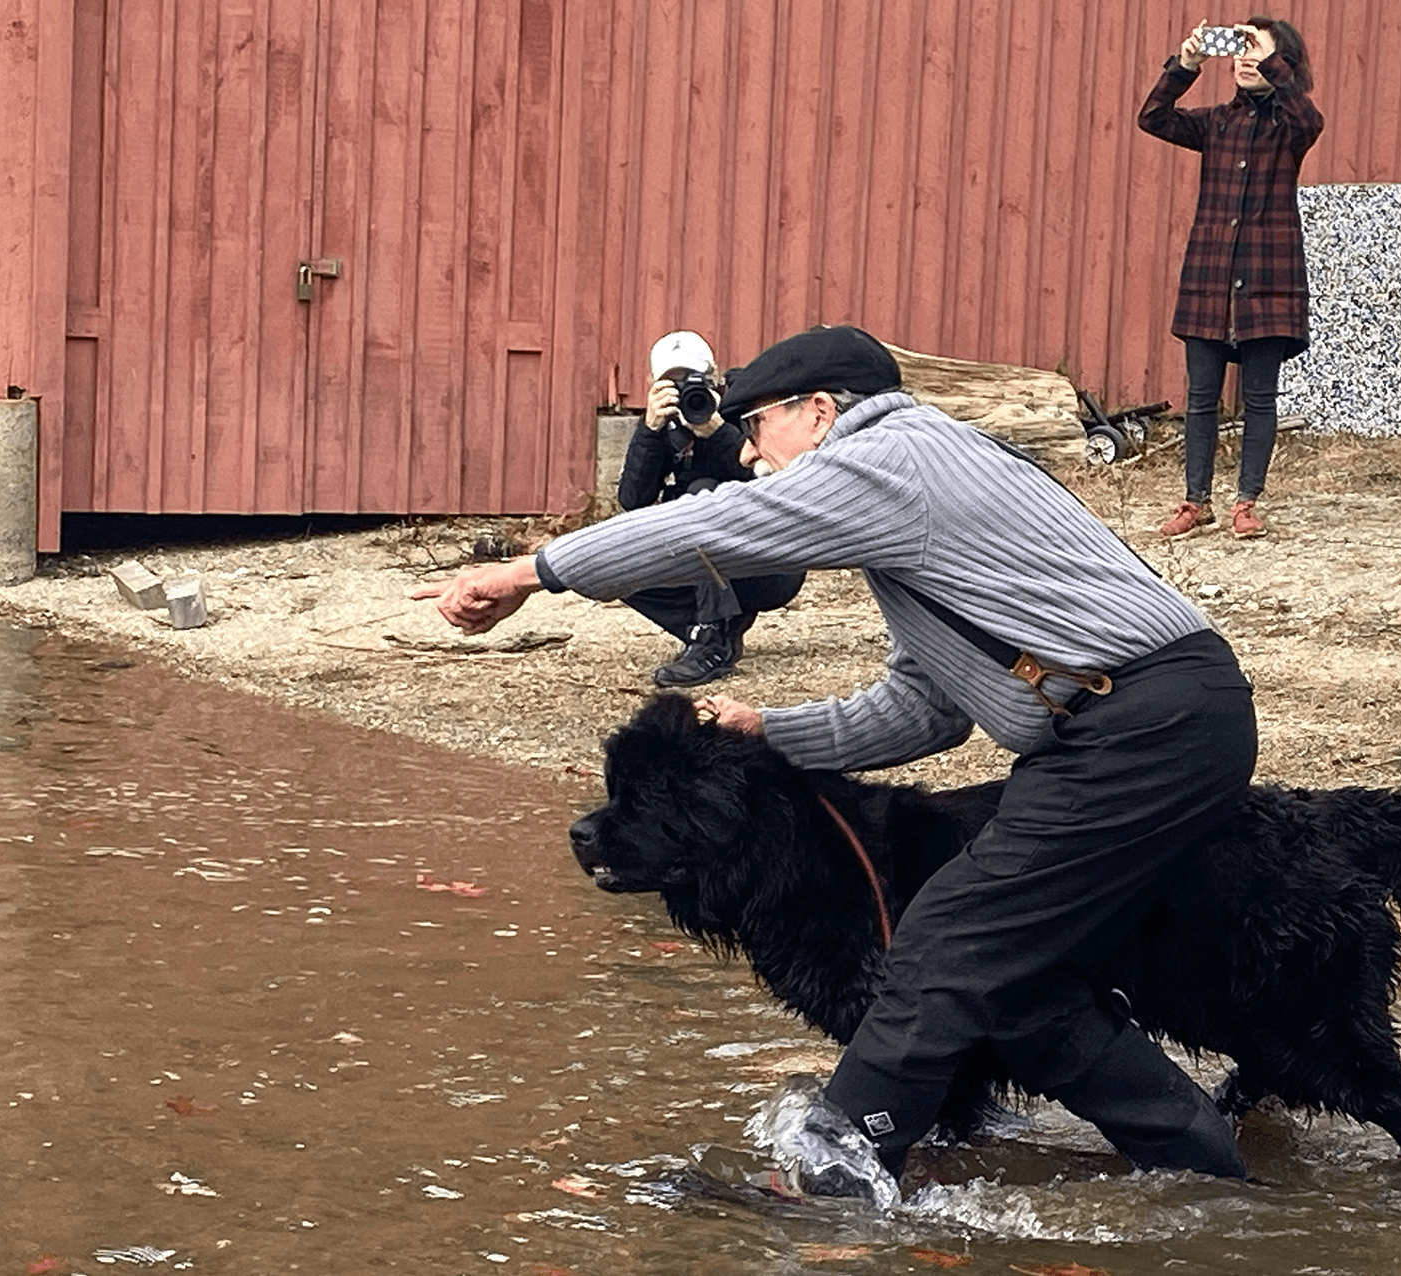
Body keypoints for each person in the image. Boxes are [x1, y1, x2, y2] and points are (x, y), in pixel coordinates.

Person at [414, 325, 1259, 1186]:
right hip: (1144, 725)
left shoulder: (890, 455)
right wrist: (768, 729)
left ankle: (830, 1174)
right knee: (1006, 970)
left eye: (755, 428)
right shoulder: (925, 484)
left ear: (818, 412)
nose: (748, 455)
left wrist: (531, 571)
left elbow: (722, 524)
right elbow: (925, 711)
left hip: (1147, 727)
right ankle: (1204, 1182)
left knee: (941, 941)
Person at [1139, 17, 1323, 540]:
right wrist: (1187, 65)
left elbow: (1310, 118)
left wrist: (1271, 63)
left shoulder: (1291, 129)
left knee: (1260, 397)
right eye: (1238, 49)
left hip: (1269, 278)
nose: (1244, 58)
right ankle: (1196, 502)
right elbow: (1153, 117)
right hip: (1210, 277)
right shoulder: (1217, 122)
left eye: (1257, 50)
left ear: (1282, 61)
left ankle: (1247, 502)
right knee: (1201, 397)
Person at [619, 331, 804, 687]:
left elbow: (773, 486)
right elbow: (633, 501)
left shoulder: (744, 412)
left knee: (701, 496)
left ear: (714, 377)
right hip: (701, 569)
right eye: (670, 383)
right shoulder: (662, 428)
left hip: (767, 566)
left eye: (692, 380)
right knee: (613, 563)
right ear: (653, 385)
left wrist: (718, 431)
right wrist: (650, 430)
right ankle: (713, 631)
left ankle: (710, 640)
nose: (683, 391)